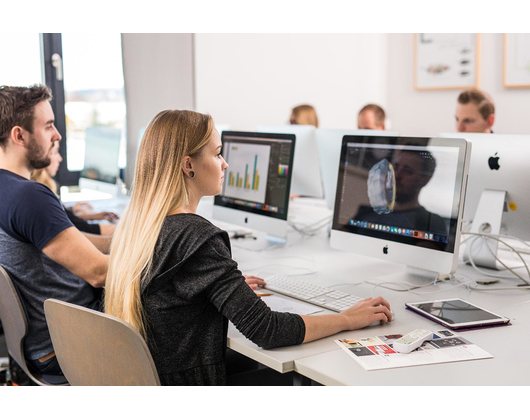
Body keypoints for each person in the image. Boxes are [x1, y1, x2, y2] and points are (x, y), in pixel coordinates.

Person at [104, 109, 392, 386]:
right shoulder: (195, 236)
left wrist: (224, 287)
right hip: (192, 377)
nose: (225, 164)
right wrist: (345, 319)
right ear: (188, 165)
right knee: (312, 377)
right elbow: (267, 330)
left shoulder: (138, 227)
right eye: (217, 154)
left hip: (160, 374)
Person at [0, 85, 108, 376]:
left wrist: (128, 239)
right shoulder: (29, 196)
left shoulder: (7, 191)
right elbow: (100, 273)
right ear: (19, 135)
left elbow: (66, 239)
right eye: (48, 126)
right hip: (67, 343)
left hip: (37, 345)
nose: (57, 135)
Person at [31, 141, 118, 237]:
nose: (60, 158)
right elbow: (82, 227)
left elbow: (65, 219)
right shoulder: (42, 195)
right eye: (55, 152)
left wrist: (92, 216)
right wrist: (125, 229)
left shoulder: (37, 189)